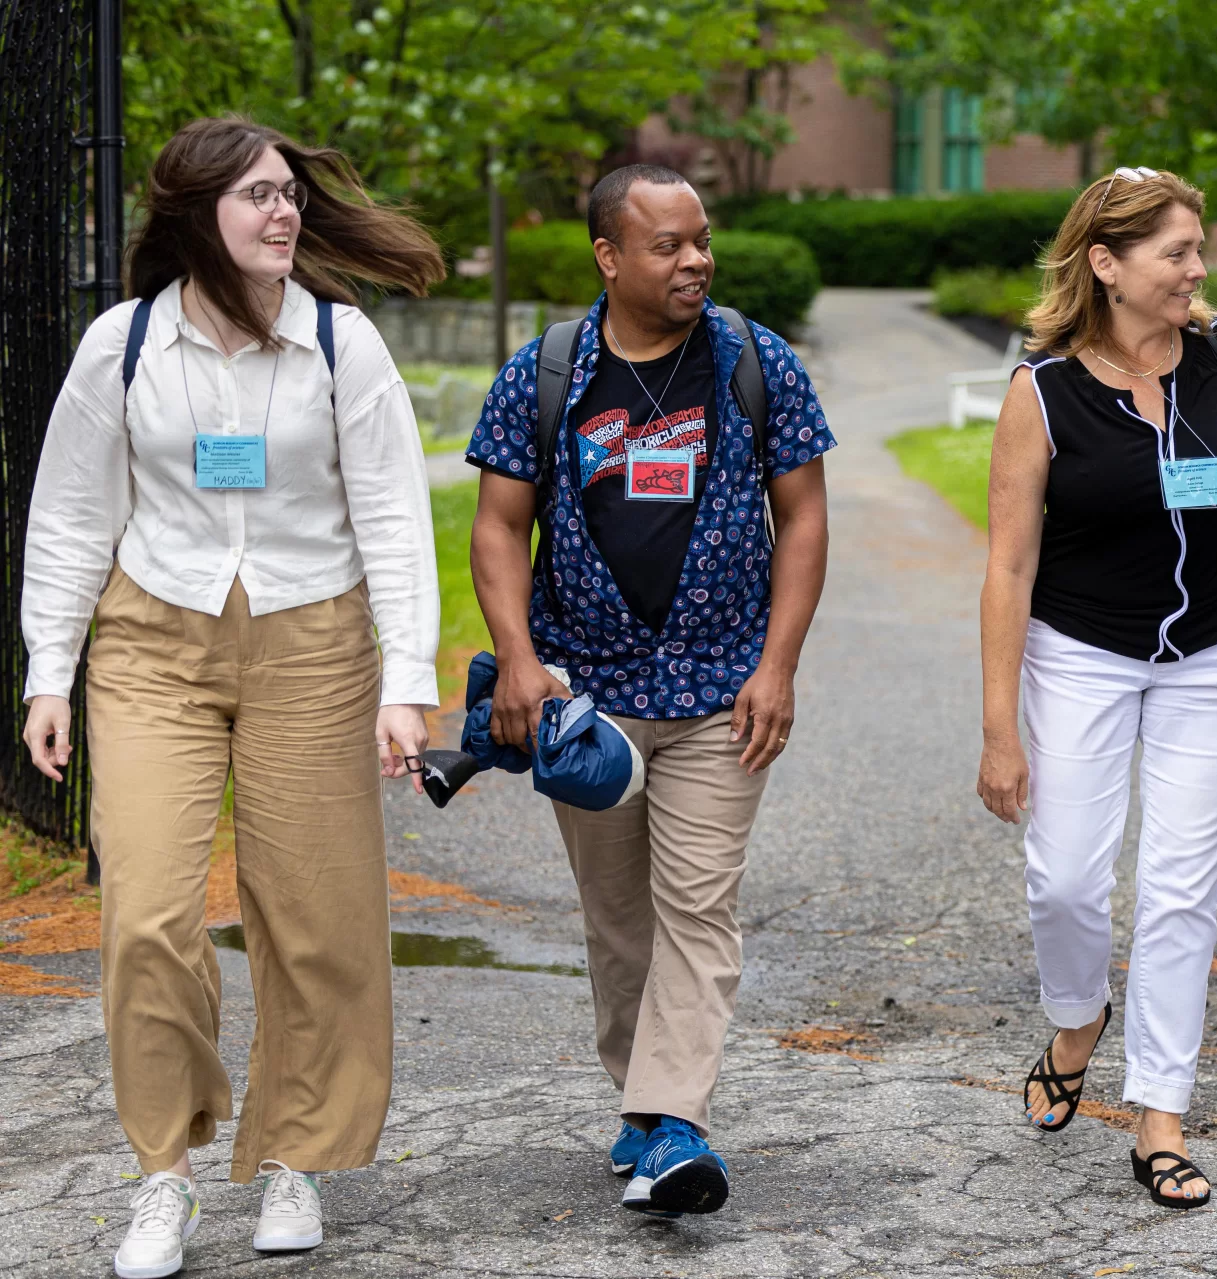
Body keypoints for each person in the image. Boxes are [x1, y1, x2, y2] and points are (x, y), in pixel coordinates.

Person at [20, 117, 443, 1277]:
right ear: (198, 215)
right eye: (258, 195)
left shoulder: (342, 347)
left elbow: (398, 519)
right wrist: (47, 668)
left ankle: (293, 1155)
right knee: (147, 913)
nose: (284, 213)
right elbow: (67, 515)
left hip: (313, 640)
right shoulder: (124, 346)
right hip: (153, 640)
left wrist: (406, 679)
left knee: (314, 914)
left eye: (291, 194)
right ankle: (164, 1173)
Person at [465, 164, 832, 1217]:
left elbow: (802, 518)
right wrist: (519, 661)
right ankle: (643, 1114)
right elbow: (496, 526)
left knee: (698, 904)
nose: (694, 260)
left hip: (723, 693)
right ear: (608, 257)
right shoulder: (547, 373)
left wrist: (778, 663)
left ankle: (675, 1121)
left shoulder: (754, 362)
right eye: (667, 244)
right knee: (619, 921)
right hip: (587, 701)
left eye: (700, 239)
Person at [976, 167, 1217, 1209]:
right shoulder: (1040, 392)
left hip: (1213, 656)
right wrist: (999, 728)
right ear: (1106, 265)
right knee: (1066, 879)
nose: (1197, 268)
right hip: (1078, 651)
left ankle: (1158, 1114)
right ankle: (1077, 1018)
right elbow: (1007, 567)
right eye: (1175, 251)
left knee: (1178, 889)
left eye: (1196, 247)